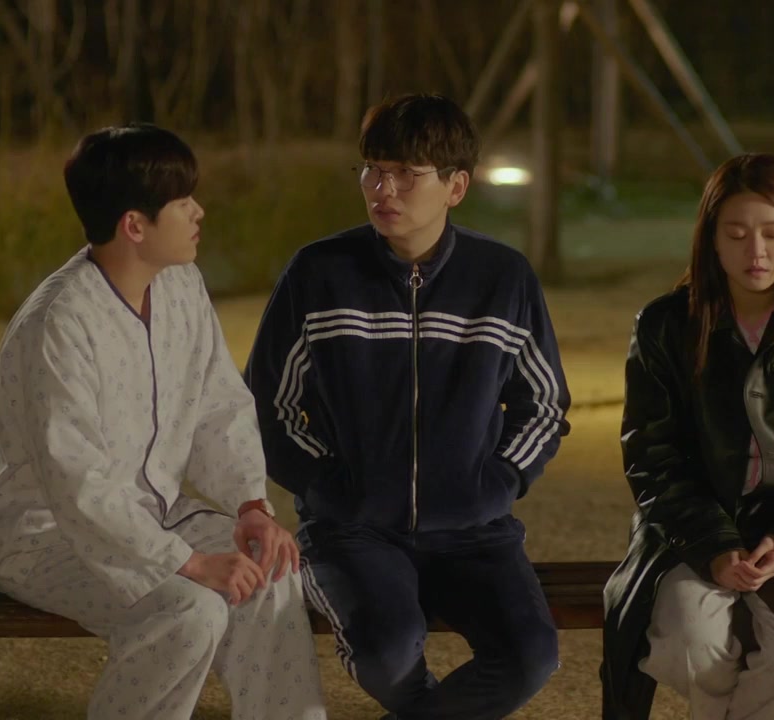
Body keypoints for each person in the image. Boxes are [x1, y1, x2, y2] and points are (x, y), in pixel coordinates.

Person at [0, 123, 328, 720]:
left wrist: (250, 506)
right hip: (48, 536)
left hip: (157, 515)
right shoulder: (59, 323)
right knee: (190, 609)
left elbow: (218, 404)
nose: (198, 211)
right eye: (182, 202)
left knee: (271, 574)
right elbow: (79, 485)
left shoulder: (181, 284)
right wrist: (188, 563)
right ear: (134, 225)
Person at [243, 93, 571, 720]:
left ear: (456, 186)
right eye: (373, 169)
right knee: (386, 653)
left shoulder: (502, 278)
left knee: (531, 655)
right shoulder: (319, 273)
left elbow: (544, 404)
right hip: (354, 529)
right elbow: (265, 406)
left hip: (474, 531)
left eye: (406, 174)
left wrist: (498, 482)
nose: (382, 188)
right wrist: (329, 486)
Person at [601, 153, 774, 720]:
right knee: (692, 640)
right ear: (711, 240)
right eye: (737, 234)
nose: (757, 252)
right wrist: (713, 545)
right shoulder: (664, 326)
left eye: (773, 233)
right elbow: (652, 456)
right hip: (685, 530)